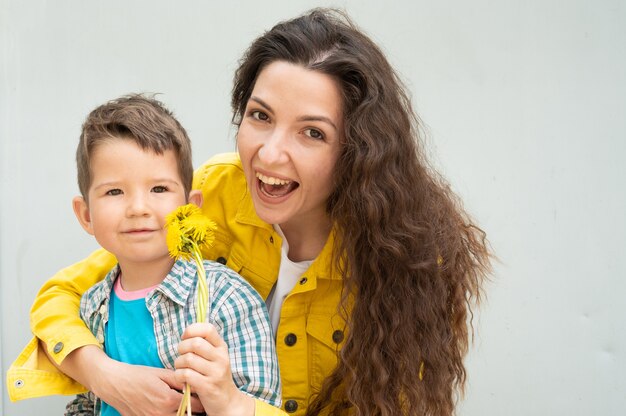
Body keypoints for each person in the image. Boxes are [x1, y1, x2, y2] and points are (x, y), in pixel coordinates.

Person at [8, 8, 491, 416]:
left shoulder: (408, 263)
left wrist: (234, 404)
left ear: (358, 151)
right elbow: (63, 295)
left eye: (312, 132)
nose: (270, 154)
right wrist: (105, 374)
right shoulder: (213, 191)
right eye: (261, 116)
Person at [9, 94, 281, 415]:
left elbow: (261, 400)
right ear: (86, 215)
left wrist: (221, 395)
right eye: (114, 191)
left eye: (159, 189)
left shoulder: (227, 298)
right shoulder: (92, 306)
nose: (138, 208)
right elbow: (92, 401)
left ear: (190, 206)